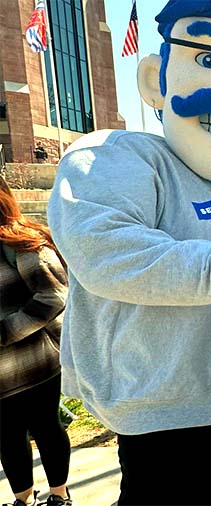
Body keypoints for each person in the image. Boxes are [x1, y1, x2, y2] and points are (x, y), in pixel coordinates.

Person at [46, 1, 211, 504]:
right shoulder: (118, 156)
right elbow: (111, 257)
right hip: (160, 416)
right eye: (210, 59)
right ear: (154, 80)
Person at [1, 178, 72, 506]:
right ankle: (23, 500)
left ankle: (59, 495)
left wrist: (5, 332)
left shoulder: (21, 242)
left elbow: (54, 295)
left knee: (46, 428)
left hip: (37, 361)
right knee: (7, 436)